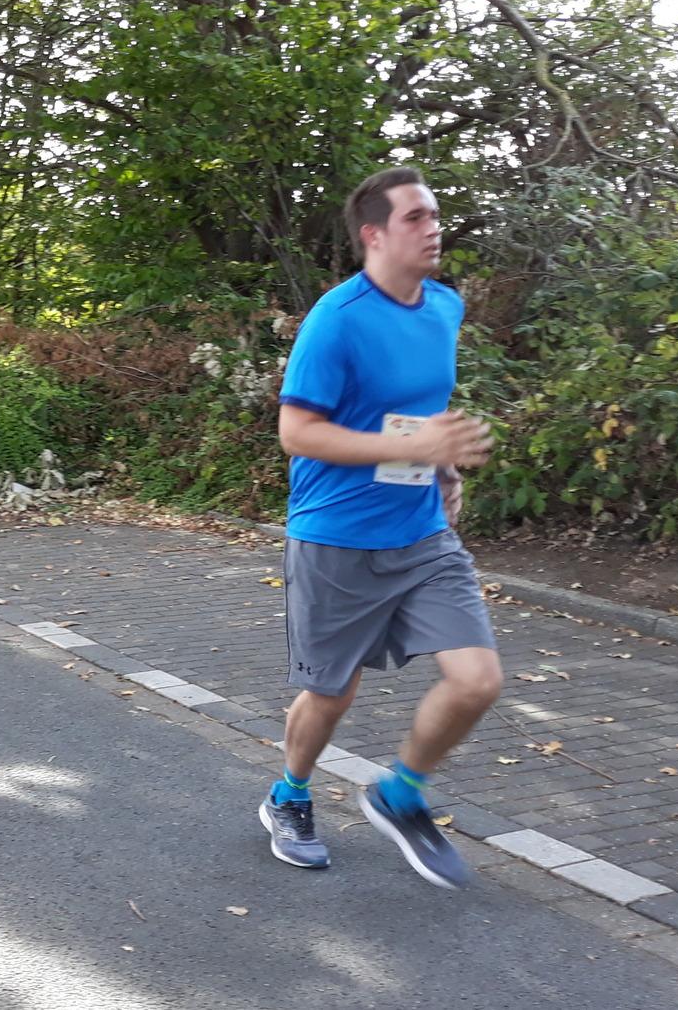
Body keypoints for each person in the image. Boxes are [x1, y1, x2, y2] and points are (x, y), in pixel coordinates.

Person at [267, 165, 500, 888]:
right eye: (415, 217)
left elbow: (420, 410)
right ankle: (288, 796)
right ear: (373, 234)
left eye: (435, 215)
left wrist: (442, 466)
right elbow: (296, 432)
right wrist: (414, 448)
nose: (434, 228)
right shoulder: (336, 320)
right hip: (336, 536)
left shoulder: (444, 308)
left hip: (422, 533)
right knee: (332, 694)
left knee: (477, 680)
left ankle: (400, 794)